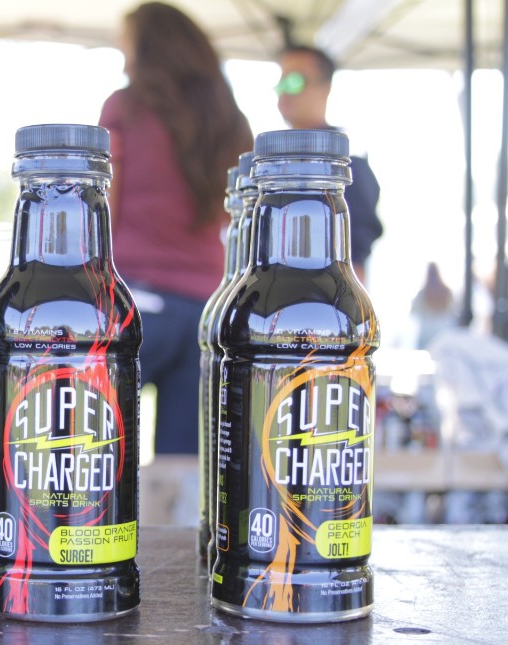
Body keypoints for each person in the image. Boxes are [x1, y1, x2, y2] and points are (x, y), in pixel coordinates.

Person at [99, 2, 254, 455]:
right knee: (185, 465)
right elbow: (234, 213)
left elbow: (104, 202)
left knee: (89, 442)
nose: (122, 55)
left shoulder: (125, 107)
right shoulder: (230, 120)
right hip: (206, 309)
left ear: (148, 46)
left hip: (135, 302)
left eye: (125, 43)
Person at [276, 44, 383, 283]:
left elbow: (356, 259)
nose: (284, 91)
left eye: (294, 82)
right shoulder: (274, 164)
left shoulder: (346, 164)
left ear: (325, 88)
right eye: (280, 82)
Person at [411, 261, 456, 349]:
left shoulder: (422, 293)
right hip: (442, 333)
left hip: (426, 334)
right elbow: (452, 311)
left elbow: (413, 311)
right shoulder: (446, 292)